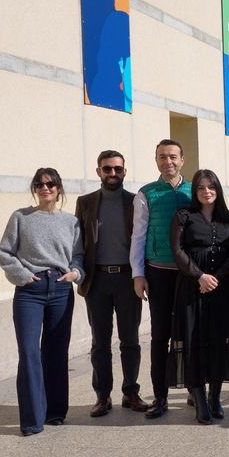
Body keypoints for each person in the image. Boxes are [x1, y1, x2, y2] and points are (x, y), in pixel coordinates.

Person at [0, 168, 84, 435]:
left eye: (51, 184)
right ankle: (32, 420)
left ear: (59, 189)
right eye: (40, 184)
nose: (45, 188)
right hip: (29, 291)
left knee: (56, 352)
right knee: (29, 352)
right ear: (35, 188)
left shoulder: (71, 222)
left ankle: (55, 412)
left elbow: (79, 255)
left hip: (59, 289)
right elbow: (5, 252)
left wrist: (75, 273)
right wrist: (23, 276)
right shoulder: (21, 217)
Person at [75, 150, 148, 417]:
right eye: (107, 169)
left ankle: (131, 392)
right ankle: (102, 396)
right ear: (99, 172)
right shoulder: (85, 202)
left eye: (118, 169)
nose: (113, 174)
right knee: (100, 343)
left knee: (130, 340)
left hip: (128, 279)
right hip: (97, 281)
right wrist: (79, 274)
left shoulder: (135, 201)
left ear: (125, 171)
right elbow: (79, 242)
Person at [169, 169, 229, 424]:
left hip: (221, 289)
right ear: (195, 192)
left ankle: (215, 397)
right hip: (192, 288)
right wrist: (200, 276)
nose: (206, 191)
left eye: (210, 187)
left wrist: (217, 278)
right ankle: (199, 399)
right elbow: (177, 251)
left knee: (218, 339)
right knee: (195, 340)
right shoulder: (184, 216)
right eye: (201, 187)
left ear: (217, 189)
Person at [130, 139, 192, 419]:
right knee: (160, 336)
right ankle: (160, 396)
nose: (168, 162)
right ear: (156, 160)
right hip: (158, 273)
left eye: (173, 157)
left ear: (182, 159)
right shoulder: (146, 194)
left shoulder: (196, 190)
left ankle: (194, 388)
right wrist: (138, 274)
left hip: (188, 274)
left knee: (190, 333)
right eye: (162, 157)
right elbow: (138, 235)